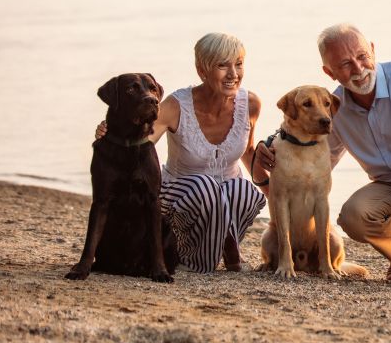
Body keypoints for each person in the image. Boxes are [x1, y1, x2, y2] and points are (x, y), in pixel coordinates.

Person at [253, 23, 391, 291]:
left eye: (362, 57)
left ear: (372, 49)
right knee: (352, 215)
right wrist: (270, 152)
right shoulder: (334, 108)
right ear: (330, 72)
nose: (359, 69)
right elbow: (318, 163)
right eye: (346, 64)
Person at [98, 32, 267, 273]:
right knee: (207, 187)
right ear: (202, 70)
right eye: (222, 65)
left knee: (244, 190)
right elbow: (140, 141)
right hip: (180, 194)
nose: (233, 74)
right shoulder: (177, 105)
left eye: (238, 64)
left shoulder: (250, 103)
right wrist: (110, 132)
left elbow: (248, 152)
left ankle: (225, 247)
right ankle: (196, 260)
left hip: (224, 201)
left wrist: (278, 196)